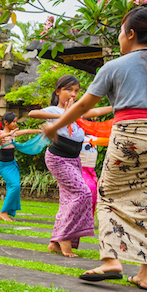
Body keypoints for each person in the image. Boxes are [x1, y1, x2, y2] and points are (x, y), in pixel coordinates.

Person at [43, 6, 147, 290]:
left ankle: (111, 259)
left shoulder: (114, 67)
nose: (120, 38)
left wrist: (53, 127)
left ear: (131, 34)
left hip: (130, 137)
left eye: (121, 32)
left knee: (109, 195)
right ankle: (146, 274)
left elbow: (84, 105)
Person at [29, 75, 111, 258]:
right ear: (58, 91)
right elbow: (32, 114)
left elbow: (97, 112)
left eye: (76, 91)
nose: (73, 94)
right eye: (68, 90)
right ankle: (64, 239)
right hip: (58, 158)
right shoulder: (54, 109)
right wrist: (64, 115)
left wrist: (120, 106)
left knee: (68, 200)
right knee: (83, 193)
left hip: (74, 159)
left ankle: (54, 242)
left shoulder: (78, 113)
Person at [0, 113, 41, 222]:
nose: (15, 124)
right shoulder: (0, 133)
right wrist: (9, 134)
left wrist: (39, 131)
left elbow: (25, 131)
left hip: (12, 164)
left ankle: (7, 212)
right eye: (13, 121)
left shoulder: (13, 133)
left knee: (16, 187)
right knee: (14, 186)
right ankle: (3, 212)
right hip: (4, 165)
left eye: (16, 121)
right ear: (5, 122)